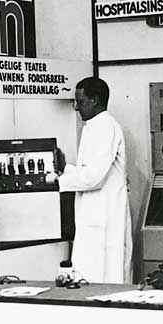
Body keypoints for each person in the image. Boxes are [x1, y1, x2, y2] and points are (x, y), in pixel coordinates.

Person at [47, 77, 132, 283]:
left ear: (95, 100)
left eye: (80, 102)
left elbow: (94, 178)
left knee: (107, 275)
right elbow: (91, 171)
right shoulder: (94, 126)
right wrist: (65, 168)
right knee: (92, 274)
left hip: (106, 216)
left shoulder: (105, 127)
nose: (76, 107)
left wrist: (58, 182)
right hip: (95, 215)